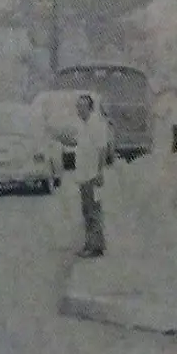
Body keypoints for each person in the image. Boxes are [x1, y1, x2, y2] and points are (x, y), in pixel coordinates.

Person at [61, 94, 106, 258]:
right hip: (83, 174)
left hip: (92, 175)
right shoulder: (82, 125)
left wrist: (100, 172)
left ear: (90, 108)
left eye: (82, 106)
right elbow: (78, 143)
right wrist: (63, 139)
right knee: (87, 209)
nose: (79, 109)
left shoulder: (96, 125)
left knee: (92, 210)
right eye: (78, 106)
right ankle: (92, 244)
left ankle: (95, 246)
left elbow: (102, 149)